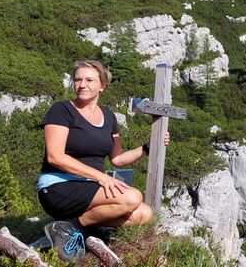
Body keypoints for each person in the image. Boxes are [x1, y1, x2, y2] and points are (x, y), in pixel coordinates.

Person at [36, 60, 168, 263]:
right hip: (58, 186)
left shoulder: (108, 116)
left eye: (89, 80)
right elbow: (55, 156)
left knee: (144, 214)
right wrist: (100, 177)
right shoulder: (62, 110)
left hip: (89, 187)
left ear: (102, 86)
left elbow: (117, 158)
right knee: (132, 197)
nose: (82, 85)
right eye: (78, 79)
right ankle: (67, 226)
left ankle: (80, 226)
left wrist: (147, 148)